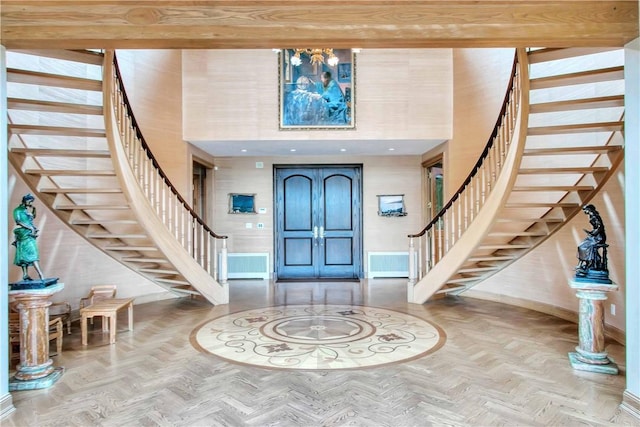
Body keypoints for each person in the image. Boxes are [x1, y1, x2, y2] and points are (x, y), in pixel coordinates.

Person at [12, 193, 44, 281]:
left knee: (26, 253)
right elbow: (18, 221)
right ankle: (40, 274)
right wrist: (30, 227)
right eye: (30, 202)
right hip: (23, 233)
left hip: (30, 233)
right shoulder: (18, 210)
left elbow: (32, 217)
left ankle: (25, 274)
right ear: (26, 201)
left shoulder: (26, 210)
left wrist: (34, 209)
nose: (31, 203)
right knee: (31, 252)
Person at [576, 204, 607, 274]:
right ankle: (583, 262)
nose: (584, 211)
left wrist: (593, 233)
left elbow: (600, 227)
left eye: (585, 210)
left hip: (599, 237)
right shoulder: (591, 216)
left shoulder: (595, 216)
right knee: (581, 245)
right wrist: (591, 232)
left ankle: (587, 263)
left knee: (585, 246)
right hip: (594, 236)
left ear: (589, 209)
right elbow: (596, 228)